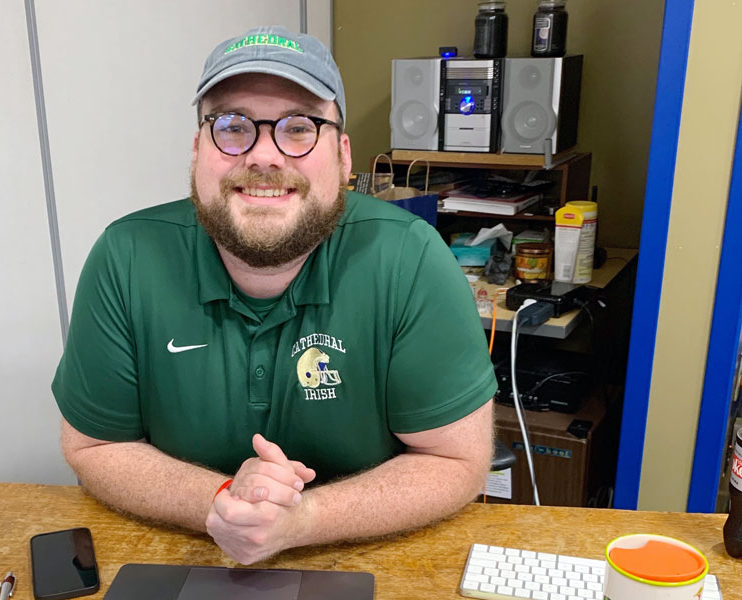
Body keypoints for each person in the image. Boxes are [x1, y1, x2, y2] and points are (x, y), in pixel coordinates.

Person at [52, 25, 497, 565]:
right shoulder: (125, 257)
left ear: (342, 154)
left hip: (368, 562)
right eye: (233, 126)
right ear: (198, 150)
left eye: (298, 127)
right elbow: (94, 447)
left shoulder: (410, 258)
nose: (264, 156)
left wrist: (304, 520)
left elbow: (456, 461)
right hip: (178, 558)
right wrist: (222, 504)